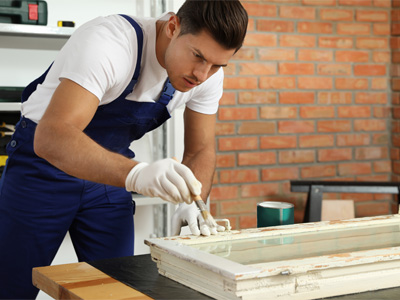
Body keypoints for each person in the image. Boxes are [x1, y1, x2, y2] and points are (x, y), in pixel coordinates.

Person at [0, 0, 248, 298]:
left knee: (115, 290)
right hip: (42, 168)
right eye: (197, 56)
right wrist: (137, 175)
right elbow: (52, 137)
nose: (201, 75)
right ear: (172, 27)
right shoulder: (109, 43)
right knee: (11, 287)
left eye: (217, 65)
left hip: (107, 175)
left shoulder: (207, 74)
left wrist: (194, 204)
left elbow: (201, 150)